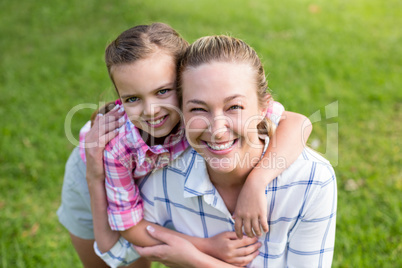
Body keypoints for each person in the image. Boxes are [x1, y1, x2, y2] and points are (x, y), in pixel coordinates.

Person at [58, 23, 312, 267]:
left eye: (163, 91)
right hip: (93, 171)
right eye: (132, 98)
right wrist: (205, 247)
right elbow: (121, 232)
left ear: (184, 81)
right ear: (120, 97)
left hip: (157, 184)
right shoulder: (117, 149)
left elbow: (299, 123)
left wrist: (257, 182)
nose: (151, 110)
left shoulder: (203, 113)